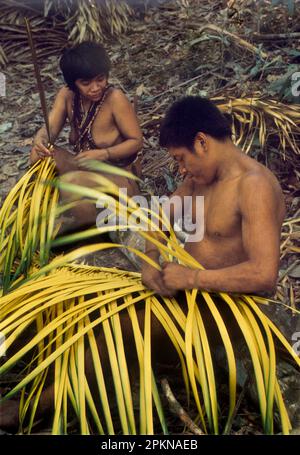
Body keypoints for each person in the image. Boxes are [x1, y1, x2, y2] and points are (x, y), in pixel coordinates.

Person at [141, 96, 285, 297]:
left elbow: (263, 275)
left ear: (201, 142)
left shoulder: (253, 186)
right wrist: (150, 258)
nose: (181, 170)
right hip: (193, 292)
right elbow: (161, 218)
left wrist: (192, 278)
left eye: (181, 158)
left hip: (233, 305)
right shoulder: (199, 179)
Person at [31, 41, 143, 231]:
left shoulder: (115, 99)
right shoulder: (67, 96)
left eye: (100, 79)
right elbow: (49, 129)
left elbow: (136, 142)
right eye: (86, 83)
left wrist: (104, 154)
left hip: (118, 178)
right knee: (37, 154)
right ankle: (45, 212)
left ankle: (86, 222)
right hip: (83, 168)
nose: (95, 87)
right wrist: (40, 139)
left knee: (69, 184)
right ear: (73, 83)